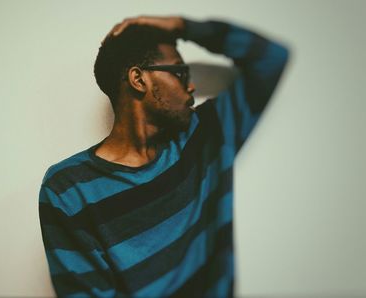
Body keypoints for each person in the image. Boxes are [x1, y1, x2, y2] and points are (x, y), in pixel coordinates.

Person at [39, 15, 289, 297]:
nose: (191, 87)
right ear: (138, 79)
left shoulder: (205, 137)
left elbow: (272, 59)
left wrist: (184, 27)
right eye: (180, 73)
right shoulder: (68, 189)